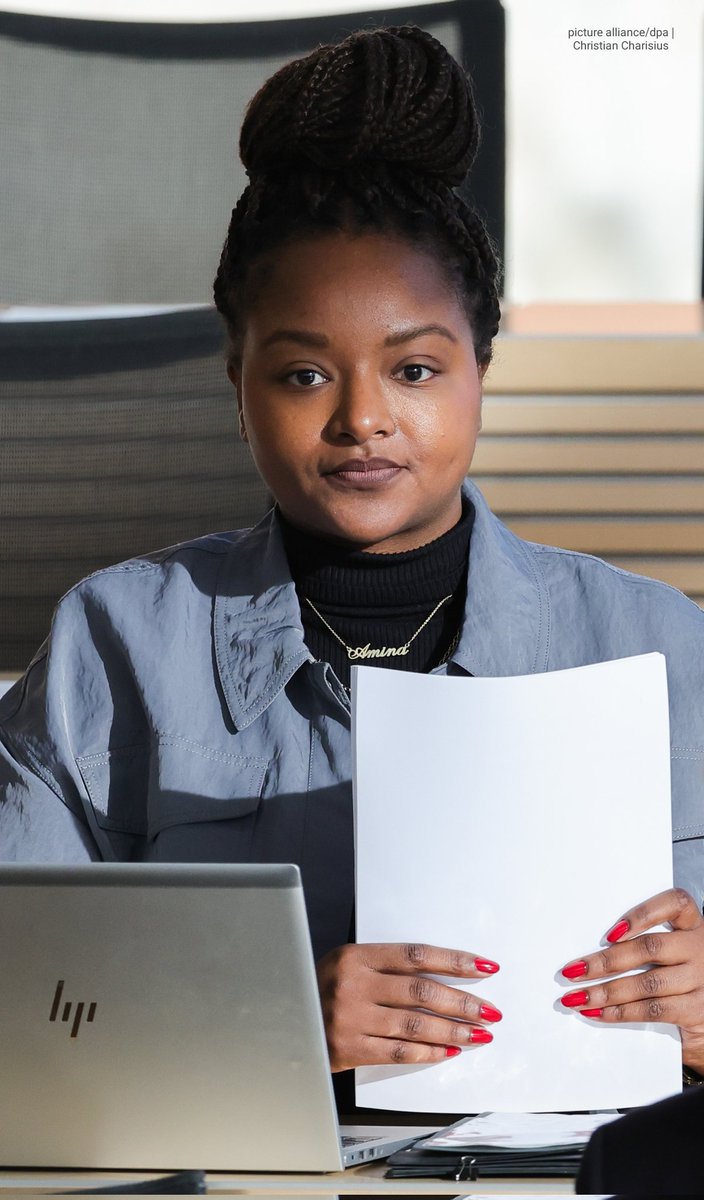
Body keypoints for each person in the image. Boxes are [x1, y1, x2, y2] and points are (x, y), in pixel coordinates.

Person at [1, 26, 703, 1086]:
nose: (362, 420)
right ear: (236, 384)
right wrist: (269, 1015)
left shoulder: (656, 647)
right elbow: (22, 1001)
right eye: (301, 377)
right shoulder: (119, 640)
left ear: (480, 370)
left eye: (414, 370)